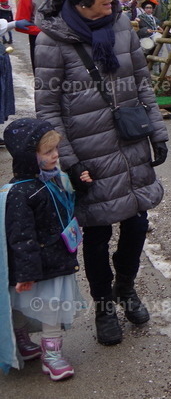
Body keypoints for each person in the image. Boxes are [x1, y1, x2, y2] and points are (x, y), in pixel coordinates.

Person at [33, 0, 169, 347]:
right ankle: (104, 306)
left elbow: (142, 81)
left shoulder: (122, 24)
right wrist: (70, 163)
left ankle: (126, 289)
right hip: (88, 153)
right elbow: (48, 109)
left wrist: (157, 132)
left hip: (129, 143)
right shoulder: (51, 42)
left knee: (137, 222)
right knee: (96, 234)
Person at [1, 119, 91, 379]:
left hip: (57, 259)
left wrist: (81, 185)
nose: (55, 156)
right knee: (29, 305)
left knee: (51, 307)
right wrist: (27, 272)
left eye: (55, 150)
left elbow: (68, 204)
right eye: (48, 152)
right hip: (37, 265)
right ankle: (47, 354)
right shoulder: (20, 193)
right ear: (30, 156)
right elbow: (20, 236)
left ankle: (46, 350)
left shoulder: (54, 179)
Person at [15, 0, 59, 70]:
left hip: (63, 41)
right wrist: (44, 31)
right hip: (39, 42)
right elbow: (20, 24)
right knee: (44, 75)